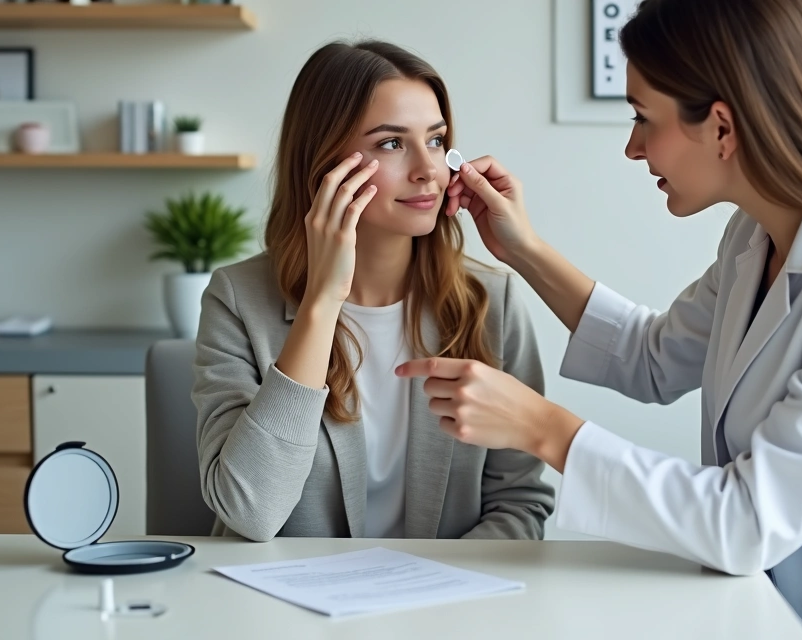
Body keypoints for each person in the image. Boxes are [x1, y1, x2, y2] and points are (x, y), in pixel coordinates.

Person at [396, 1, 802, 637]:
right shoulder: (754, 239)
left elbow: (748, 522)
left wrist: (545, 429)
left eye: (642, 119)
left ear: (722, 128)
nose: (632, 147)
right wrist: (522, 247)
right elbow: (651, 359)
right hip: (756, 609)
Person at [192, 40, 554, 543]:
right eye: (391, 143)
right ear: (323, 163)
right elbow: (250, 513)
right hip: (289, 611)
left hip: (446, 608)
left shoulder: (492, 303)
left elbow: (519, 504)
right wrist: (321, 303)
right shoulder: (237, 300)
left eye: (435, 140)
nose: (428, 169)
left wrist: (440, 594)